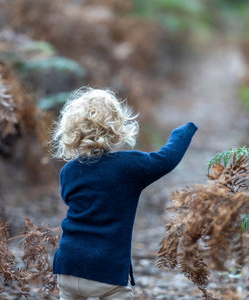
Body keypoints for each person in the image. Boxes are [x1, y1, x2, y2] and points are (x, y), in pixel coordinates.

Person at [51, 87, 197, 300]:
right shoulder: (129, 166)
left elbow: (69, 199)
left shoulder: (68, 172)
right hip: (106, 272)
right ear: (117, 127)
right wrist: (183, 132)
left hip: (68, 267)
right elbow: (166, 160)